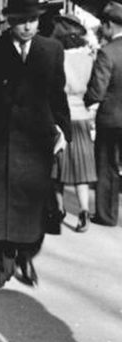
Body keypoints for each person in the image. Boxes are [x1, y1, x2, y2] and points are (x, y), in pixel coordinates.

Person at [0, 0, 70, 289]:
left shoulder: (52, 50)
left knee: (32, 205)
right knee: (0, 204)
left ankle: (26, 255)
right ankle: (1, 266)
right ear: (9, 21)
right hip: (0, 141)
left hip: (38, 141)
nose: (27, 27)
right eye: (21, 21)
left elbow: (57, 96)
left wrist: (64, 132)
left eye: (33, 20)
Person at [51, 15, 96, 233]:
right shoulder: (88, 57)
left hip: (61, 118)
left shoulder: (57, 58)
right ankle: (84, 210)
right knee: (82, 169)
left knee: (58, 168)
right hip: (83, 116)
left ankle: (58, 209)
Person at [85, 0, 122, 228]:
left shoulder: (107, 53)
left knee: (107, 167)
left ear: (109, 25)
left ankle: (106, 215)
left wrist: (84, 101)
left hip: (111, 120)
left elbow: (97, 91)